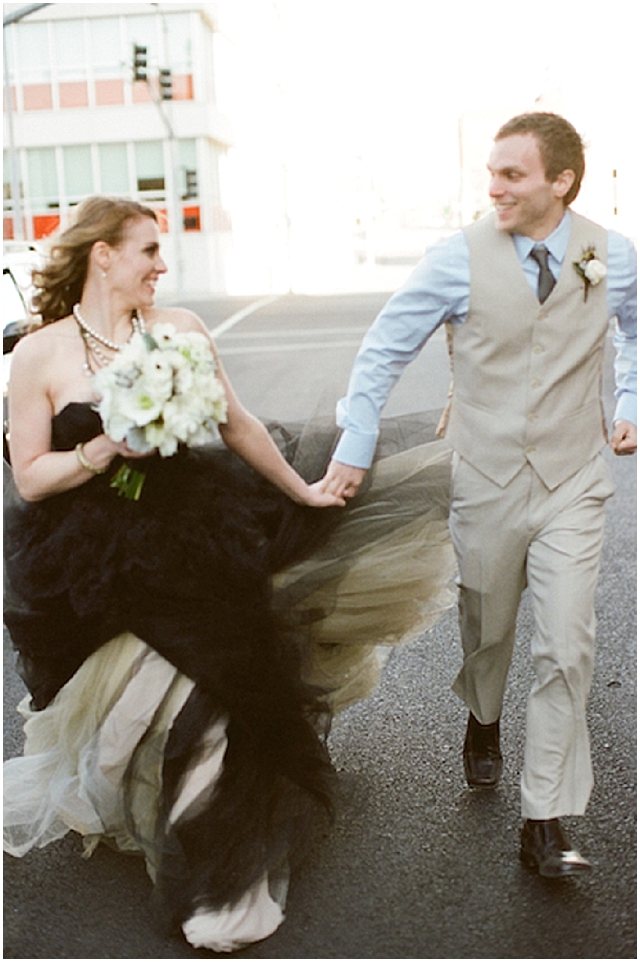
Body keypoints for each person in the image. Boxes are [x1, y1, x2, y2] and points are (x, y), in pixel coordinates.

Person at [3, 196, 456, 952]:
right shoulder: (40, 355)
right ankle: (144, 796)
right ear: (102, 255)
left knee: (219, 687)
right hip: (96, 549)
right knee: (135, 710)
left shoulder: (180, 331)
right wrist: (106, 450)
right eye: (148, 248)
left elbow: (236, 424)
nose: (161, 264)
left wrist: (302, 491)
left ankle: (224, 873)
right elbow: (30, 476)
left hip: (194, 531)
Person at [320, 112, 637, 878]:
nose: (492, 186)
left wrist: (628, 403)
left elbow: (635, 330)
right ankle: (483, 717)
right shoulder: (454, 260)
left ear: (560, 183)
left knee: (568, 644)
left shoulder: (612, 252)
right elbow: (384, 348)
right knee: (487, 628)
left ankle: (546, 820)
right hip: (486, 479)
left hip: (573, 482)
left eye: (512, 174)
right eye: (491, 172)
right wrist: (354, 451)